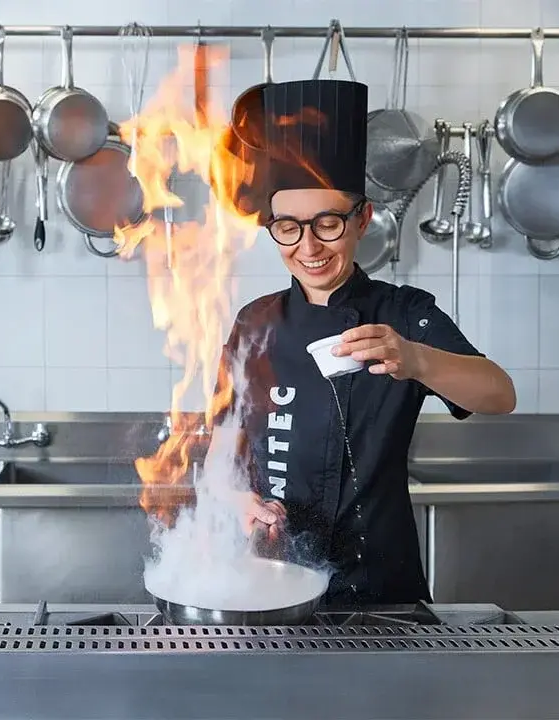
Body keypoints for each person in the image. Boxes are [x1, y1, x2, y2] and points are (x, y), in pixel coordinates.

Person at [217, 78, 517, 607]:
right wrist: (236, 496)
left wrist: (416, 358)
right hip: (270, 583)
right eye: (288, 227)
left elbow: (499, 395)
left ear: (362, 220)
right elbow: (224, 439)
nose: (308, 246)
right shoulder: (254, 322)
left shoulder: (404, 314)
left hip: (380, 588)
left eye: (327, 224)